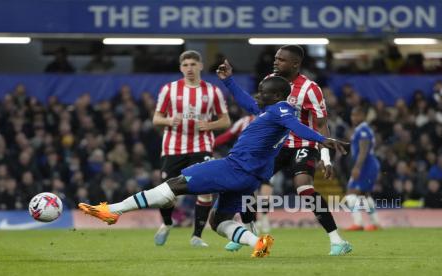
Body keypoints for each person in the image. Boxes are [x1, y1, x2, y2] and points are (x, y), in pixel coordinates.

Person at [79, 75, 350, 258]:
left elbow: (298, 127)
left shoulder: (281, 110)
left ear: (277, 94)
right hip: (249, 177)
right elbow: (248, 102)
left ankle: (112, 211)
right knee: (218, 221)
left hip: (234, 168)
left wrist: (323, 140)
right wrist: (229, 81)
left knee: (174, 184)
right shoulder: (271, 111)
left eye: (263, 91)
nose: (258, 93)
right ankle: (257, 243)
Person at [221, 45, 349, 256]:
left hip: (304, 144)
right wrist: (229, 82)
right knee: (246, 183)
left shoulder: (310, 88)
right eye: (276, 58)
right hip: (278, 145)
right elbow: (256, 106)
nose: (275, 61)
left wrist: (326, 158)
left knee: (303, 188)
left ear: (295, 64)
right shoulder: (270, 80)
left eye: (281, 59)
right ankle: (250, 233)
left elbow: (321, 123)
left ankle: (337, 240)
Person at [151, 50, 231, 247]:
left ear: (201, 66)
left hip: (201, 146)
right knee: (165, 194)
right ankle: (167, 223)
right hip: (173, 148)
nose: (189, 68)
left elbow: (226, 120)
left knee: (205, 191)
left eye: (193, 64)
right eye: (185, 65)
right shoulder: (169, 89)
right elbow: (156, 118)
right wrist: (169, 120)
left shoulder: (212, 91)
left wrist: (209, 125)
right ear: (180, 68)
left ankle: (196, 236)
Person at [344, 107, 381, 231]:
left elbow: (363, 151)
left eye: (357, 115)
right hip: (370, 164)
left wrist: (357, 167)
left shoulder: (363, 130)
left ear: (363, 116)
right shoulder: (362, 129)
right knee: (365, 195)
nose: (353, 118)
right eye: (352, 115)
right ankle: (375, 223)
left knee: (350, 193)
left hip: (366, 165)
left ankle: (358, 223)